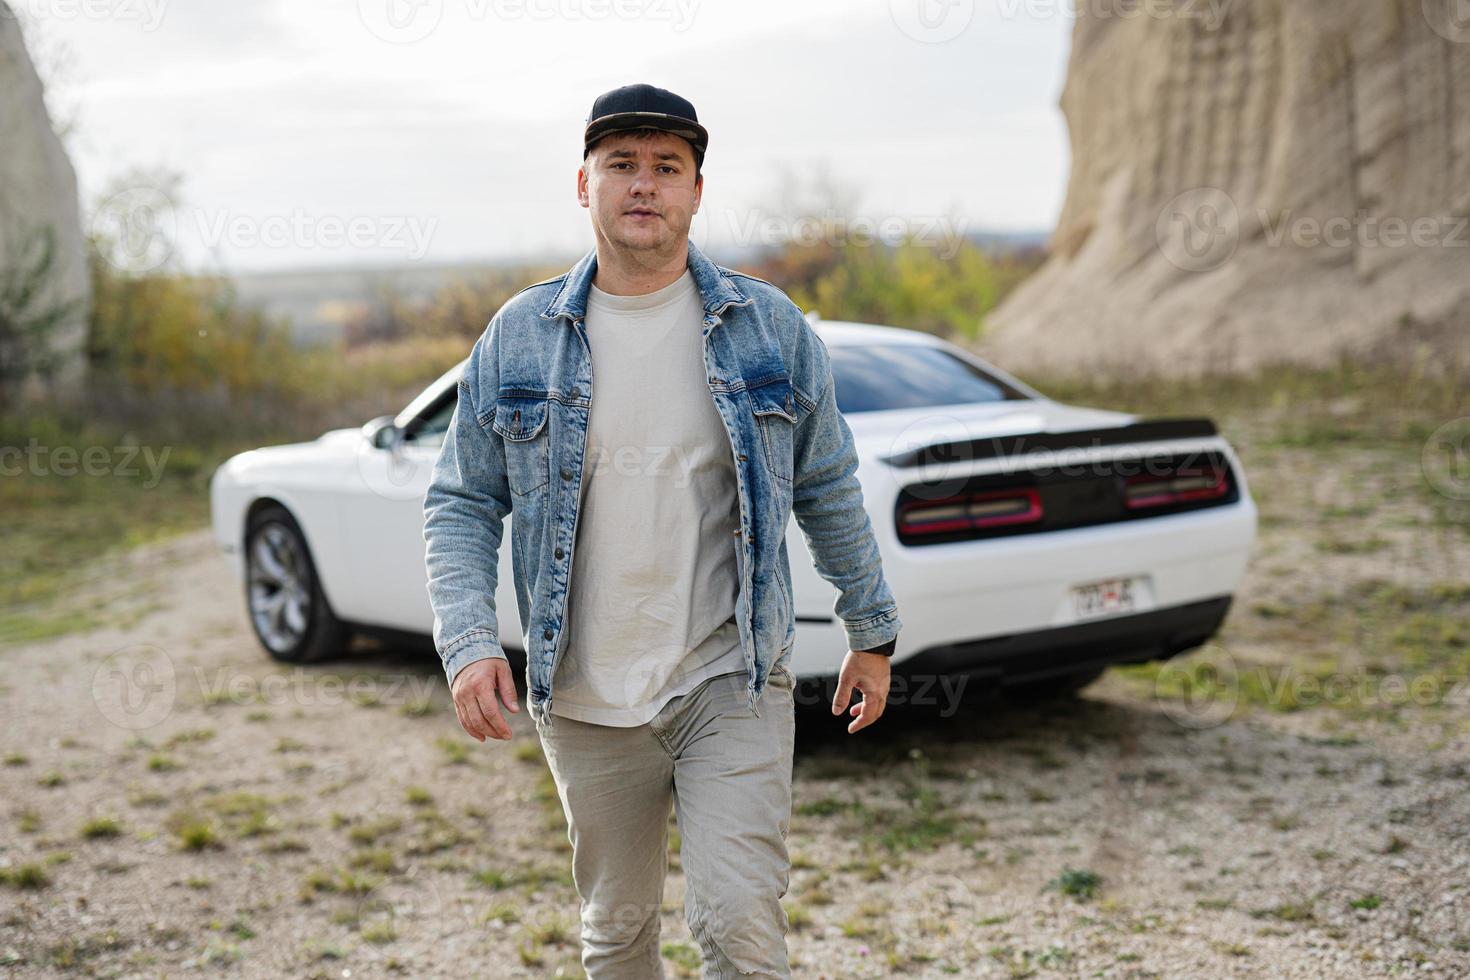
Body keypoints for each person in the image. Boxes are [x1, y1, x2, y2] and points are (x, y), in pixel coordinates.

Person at [422, 82, 903, 979]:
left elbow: (827, 483)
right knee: (617, 932)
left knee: (740, 927)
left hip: (729, 675)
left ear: (695, 190)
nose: (644, 185)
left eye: (666, 168)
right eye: (622, 165)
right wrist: (468, 640)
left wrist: (870, 631)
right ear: (583, 184)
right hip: (584, 694)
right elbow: (460, 499)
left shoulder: (769, 329)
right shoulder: (520, 336)